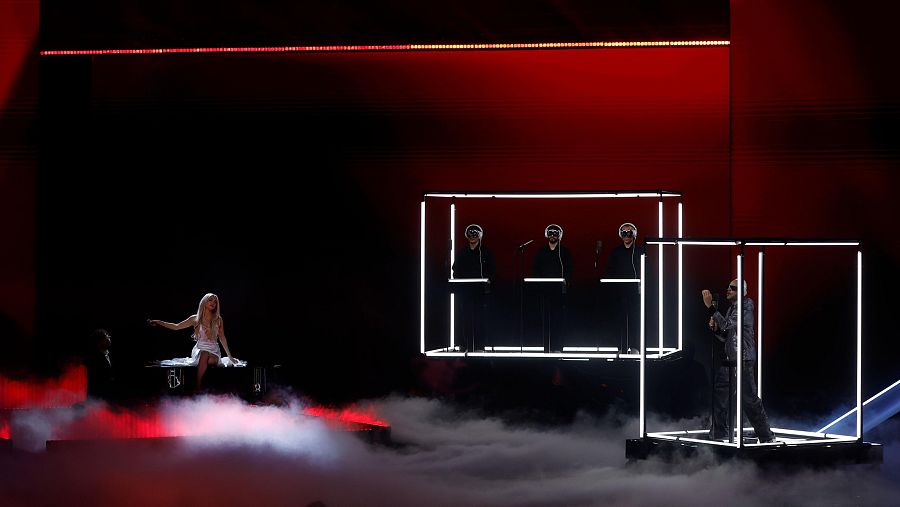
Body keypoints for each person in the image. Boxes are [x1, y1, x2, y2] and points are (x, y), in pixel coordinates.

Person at [702, 280, 776, 443]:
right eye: (728, 286)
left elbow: (729, 325)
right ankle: (720, 432)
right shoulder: (731, 309)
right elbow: (725, 336)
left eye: (732, 288)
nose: (728, 289)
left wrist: (712, 308)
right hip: (731, 359)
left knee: (748, 399)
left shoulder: (747, 305)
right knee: (720, 394)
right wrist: (716, 330)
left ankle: (766, 435)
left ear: (742, 291)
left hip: (742, 359)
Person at [148, 293, 240, 392]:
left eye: (215, 302)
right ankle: (198, 386)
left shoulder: (218, 319)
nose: (213, 303)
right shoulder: (195, 319)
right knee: (204, 354)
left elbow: (222, 338)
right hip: (200, 350)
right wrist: (158, 322)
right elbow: (176, 326)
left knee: (209, 360)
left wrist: (229, 356)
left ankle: (200, 382)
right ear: (204, 302)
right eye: (210, 300)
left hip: (214, 351)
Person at [451, 224, 496, 351]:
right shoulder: (463, 252)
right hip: (465, 291)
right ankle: (466, 345)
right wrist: (459, 281)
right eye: (470, 234)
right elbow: (455, 269)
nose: (472, 236)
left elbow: (492, 271)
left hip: (481, 292)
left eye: (475, 234)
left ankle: (479, 346)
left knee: (480, 319)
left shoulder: (485, 252)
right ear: (467, 236)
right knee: (465, 318)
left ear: (480, 236)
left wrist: (488, 281)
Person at [603, 222, 646, 353]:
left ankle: (635, 347)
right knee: (620, 319)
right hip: (619, 292)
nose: (627, 236)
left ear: (634, 235)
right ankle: (621, 347)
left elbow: (646, 269)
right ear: (620, 235)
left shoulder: (640, 251)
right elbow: (609, 271)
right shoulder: (616, 252)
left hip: (635, 291)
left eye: (629, 233)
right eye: (624, 233)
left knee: (635, 319)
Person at [532, 224, 573, 352]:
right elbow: (535, 270)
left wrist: (566, 282)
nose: (553, 235)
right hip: (544, 291)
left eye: (555, 233)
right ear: (547, 234)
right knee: (545, 320)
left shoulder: (564, 252)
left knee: (558, 320)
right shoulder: (541, 252)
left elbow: (569, 271)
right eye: (550, 233)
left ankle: (557, 348)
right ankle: (546, 348)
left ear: (559, 235)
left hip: (559, 292)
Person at [84, 328, 116, 401]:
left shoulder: (110, 354)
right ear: (98, 342)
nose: (108, 338)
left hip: (110, 395)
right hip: (98, 397)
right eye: (105, 337)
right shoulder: (93, 358)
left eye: (108, 336)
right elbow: (95, 380)